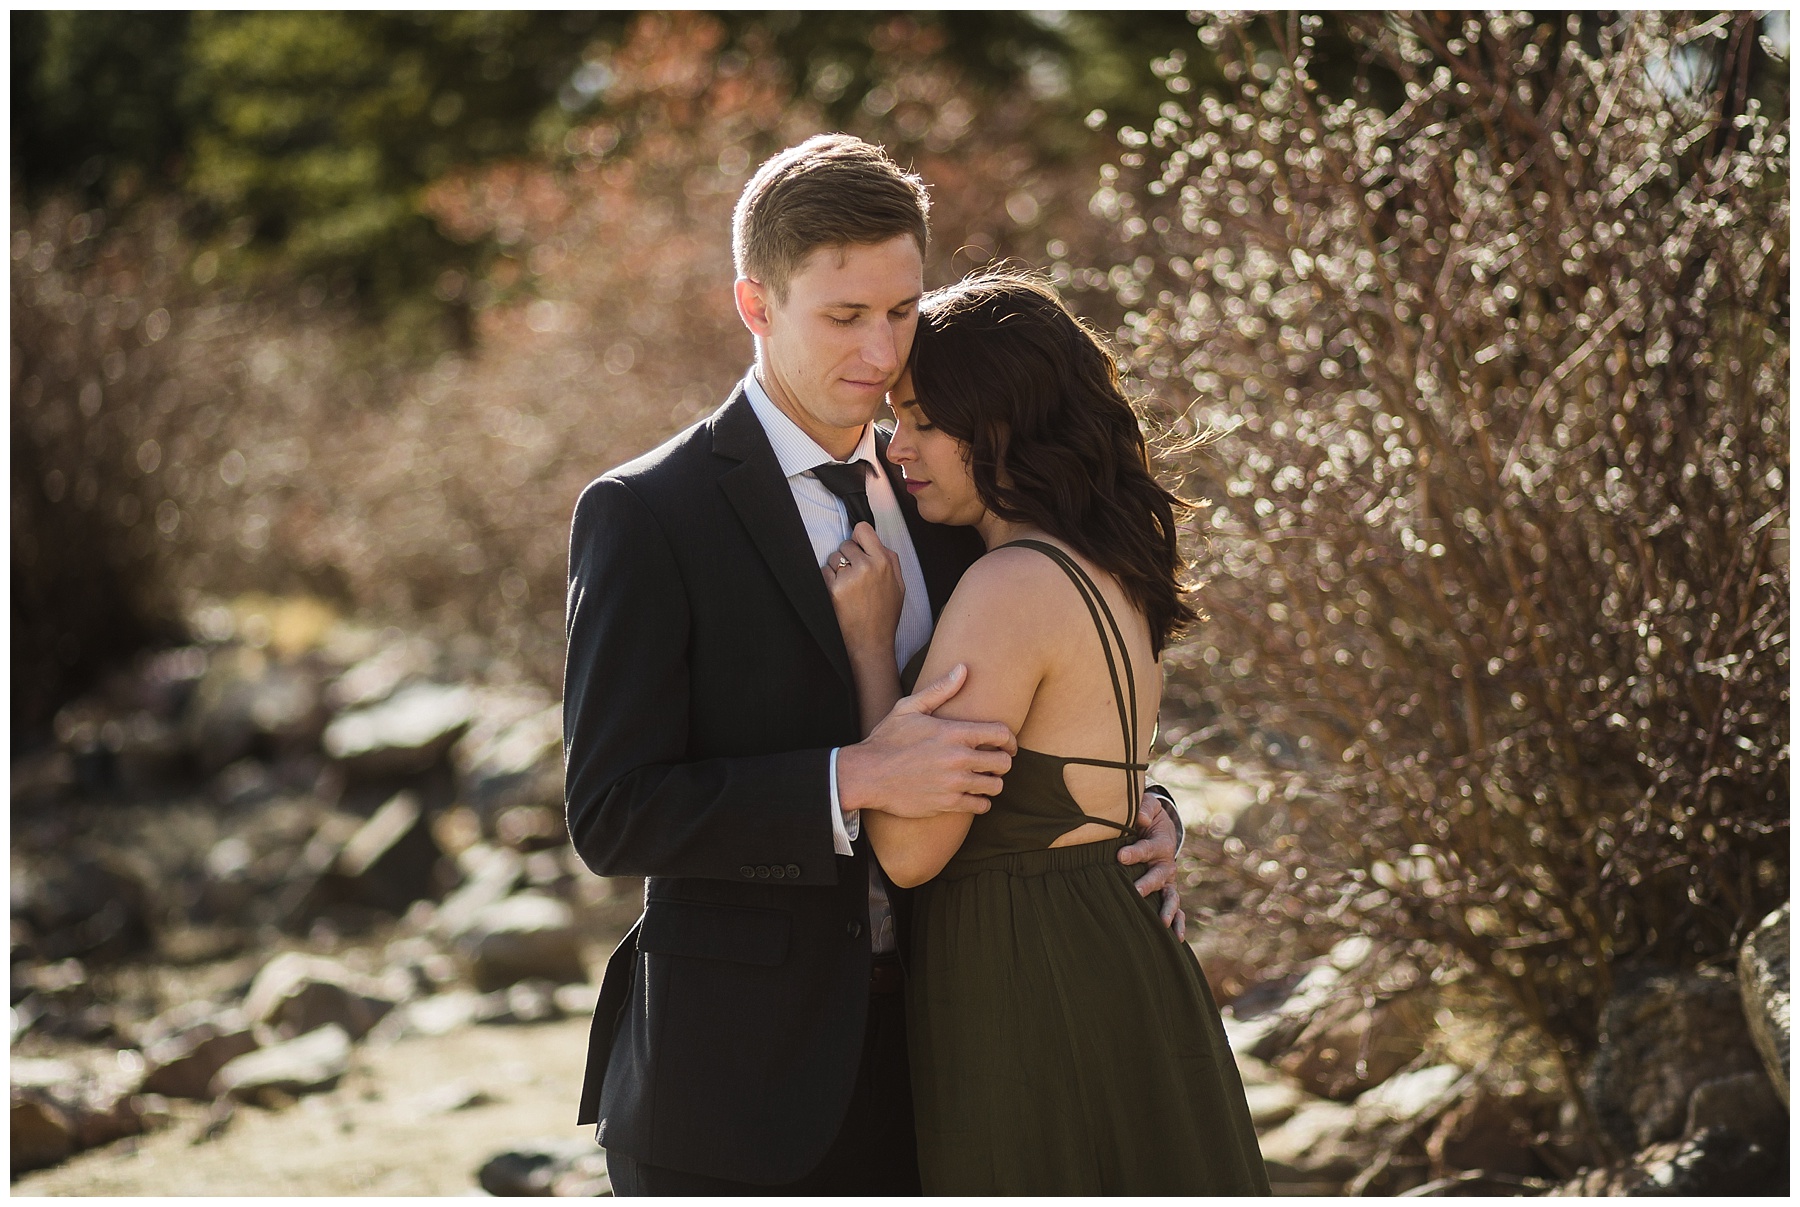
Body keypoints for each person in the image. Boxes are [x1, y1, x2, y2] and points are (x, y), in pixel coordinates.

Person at [562, 134, 1190, 1194]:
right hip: (736, 1084)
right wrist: (848, 780)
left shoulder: (952, 488)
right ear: (755, 305)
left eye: (902, 311)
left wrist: (1132, 807)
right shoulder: (647, 513)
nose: (884, 350)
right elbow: (613, 810)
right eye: (844, 316)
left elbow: (1045, 681)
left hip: (960, 1054)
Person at [820, 270, 1270, 1194]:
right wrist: (1161, 815)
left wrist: (870, 643)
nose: (896, 446)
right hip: (1118, 945)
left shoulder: (1009, 586)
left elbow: (907, 849)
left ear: (1001, 423)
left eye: (922, 421)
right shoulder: (1111, 563)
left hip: (1031, 973)